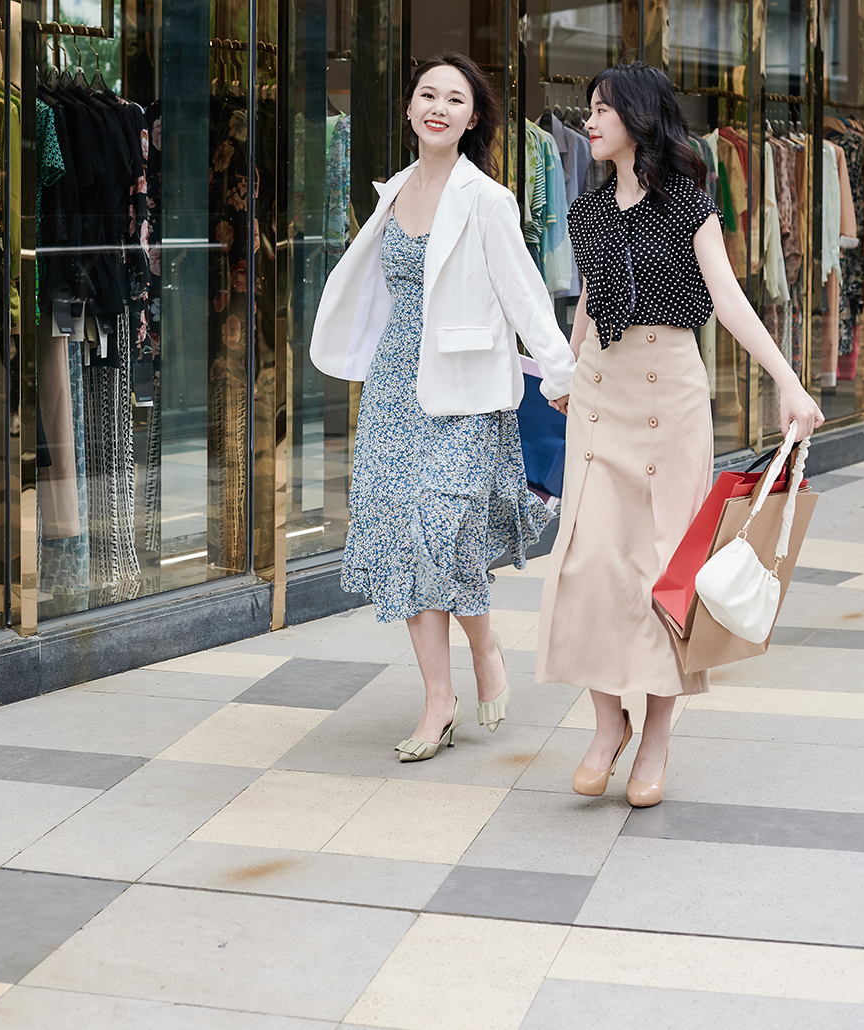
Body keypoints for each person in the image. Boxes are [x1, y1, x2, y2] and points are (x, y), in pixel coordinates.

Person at [537, 61, 824, 807]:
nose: (590, 121)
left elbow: (729, 302)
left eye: (603, 110)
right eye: (590, 110)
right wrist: (567, 372)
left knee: (662, 571)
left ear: (639, 118)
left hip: (672, 396)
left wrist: (788, 381)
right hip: (601, 393)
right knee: (588, 563)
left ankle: (656, 733)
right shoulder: (586, 211)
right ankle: (608, 725)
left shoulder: (692, 206)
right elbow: (592, 303)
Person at [310, 53, 575, 762]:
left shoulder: (486, 198)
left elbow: (523, 291)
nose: (438, 106)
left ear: (473, 118)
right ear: (409, 109)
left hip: (461, 391)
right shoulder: (392, 190)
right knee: (403, 535)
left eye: (454, 99)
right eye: (427, 94)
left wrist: (561, 371)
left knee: (441, 528)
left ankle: (484, 646)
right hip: (395, 384)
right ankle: (438, 698)